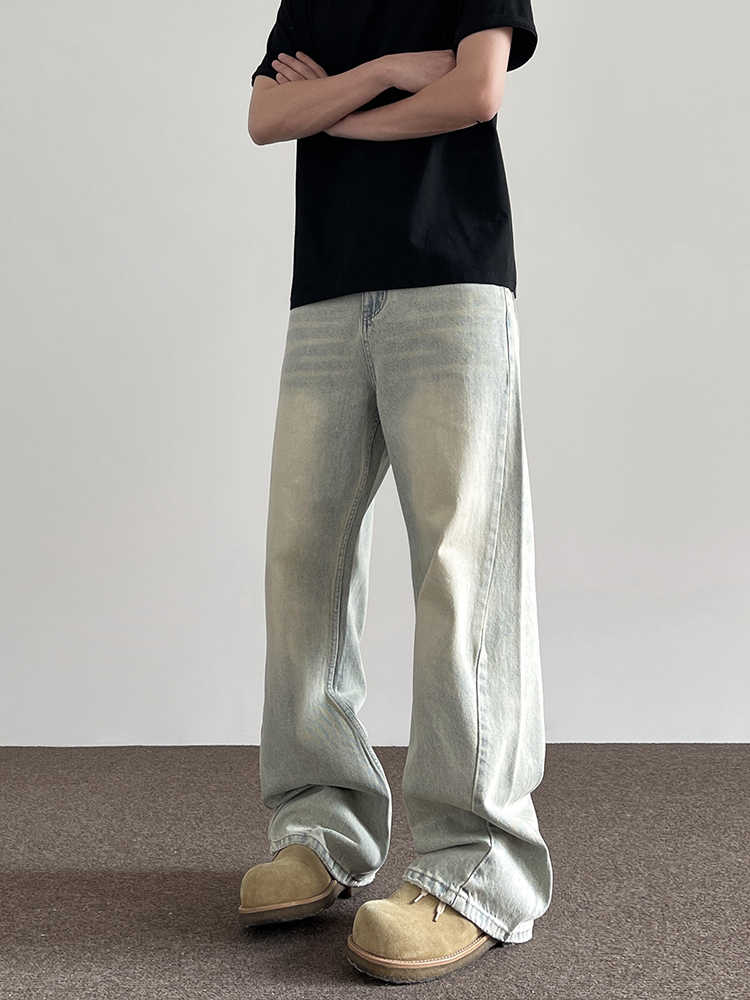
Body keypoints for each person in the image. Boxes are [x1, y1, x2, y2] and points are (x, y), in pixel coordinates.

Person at [238, 0, 553, 984]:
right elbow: (265, 116)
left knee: (462, 570)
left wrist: (332, 104)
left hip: (451, 282)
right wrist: (384, 74)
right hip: (328, 293)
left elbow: (475, 91)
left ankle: (480, 866)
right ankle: (322, 827)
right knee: (303, 561)